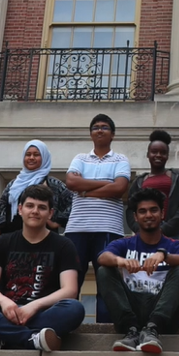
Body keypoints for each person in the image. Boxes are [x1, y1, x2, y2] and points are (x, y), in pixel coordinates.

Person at [0, 184, 85, 351]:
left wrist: (34, 306)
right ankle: (30, 338)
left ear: (51, 213)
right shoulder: (2, 242)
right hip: (4, 310)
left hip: (43, 311)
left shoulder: (64, 245)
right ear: (20, 209)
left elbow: (70, 290)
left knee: (74, 309)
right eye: (30, 206)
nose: (35, 211)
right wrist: (4, 303)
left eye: (42, 208)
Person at [97, 188, 179, 354]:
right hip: (131, 311)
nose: (148, 215)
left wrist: (164, 255)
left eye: (153, 210)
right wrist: (121, 261)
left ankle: (152, 329)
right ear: (135, 217)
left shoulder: (174, 245)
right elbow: (102, 258)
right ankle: (132, 331)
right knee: (104, 270)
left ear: (162, 214)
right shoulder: (125, 244)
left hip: (162, 314)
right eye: (142, 211)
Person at [65, 113, 131, 322]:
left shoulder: (121, 159)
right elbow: (72, 183)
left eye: (104, 127)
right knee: (72, 278)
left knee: (107, 279)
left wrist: (87, 191)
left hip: (108, 228)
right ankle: (67, 322)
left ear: (113, 134)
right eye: (95, 127)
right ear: (90, 134)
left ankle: (106, 328)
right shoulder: (80, 158)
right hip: (77, 228)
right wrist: (106, 184)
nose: (99, 130)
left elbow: (120, 187)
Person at [0, 140, 72, 239]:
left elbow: (73, 204)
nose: (31, 158)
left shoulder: (54, 184)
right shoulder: (13, 184)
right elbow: (1, 211)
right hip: (12, 240)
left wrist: (56, 222)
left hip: (45, 241)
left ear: (44, 157)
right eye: (28, 154)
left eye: (36, 154)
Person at [124, 130, 179, 242]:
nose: (158, 155)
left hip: (170, 236)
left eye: (163, 152)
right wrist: (139, 229)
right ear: (148, 154)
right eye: (154, 152)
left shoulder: (178, 177)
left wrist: (164, 229)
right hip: (144, 235)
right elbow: (130, 209)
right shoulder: (139, 181)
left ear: (167, 155)